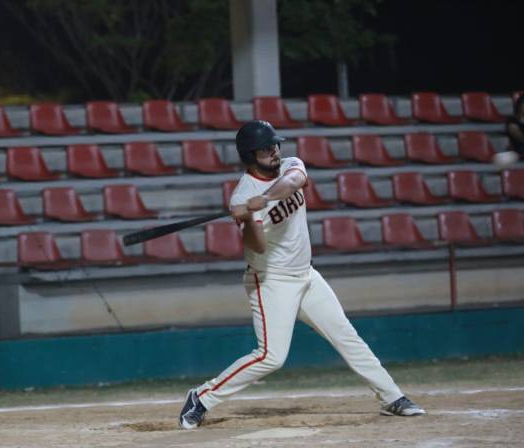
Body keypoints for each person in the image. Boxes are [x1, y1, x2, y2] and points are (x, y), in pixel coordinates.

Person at [178, 120, 425, 430]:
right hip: (271, 280)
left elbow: (294, 182)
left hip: (305, 274)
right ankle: (201, 398)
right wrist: (251, 217)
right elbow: (256, 244)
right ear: (249, 154)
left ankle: (392, 397)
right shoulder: (242, 197)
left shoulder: (290, 165)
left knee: (345, 334)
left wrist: (265, 200)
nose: (273, 150)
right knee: (271, 356)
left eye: (275, 144)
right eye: (265, 148)